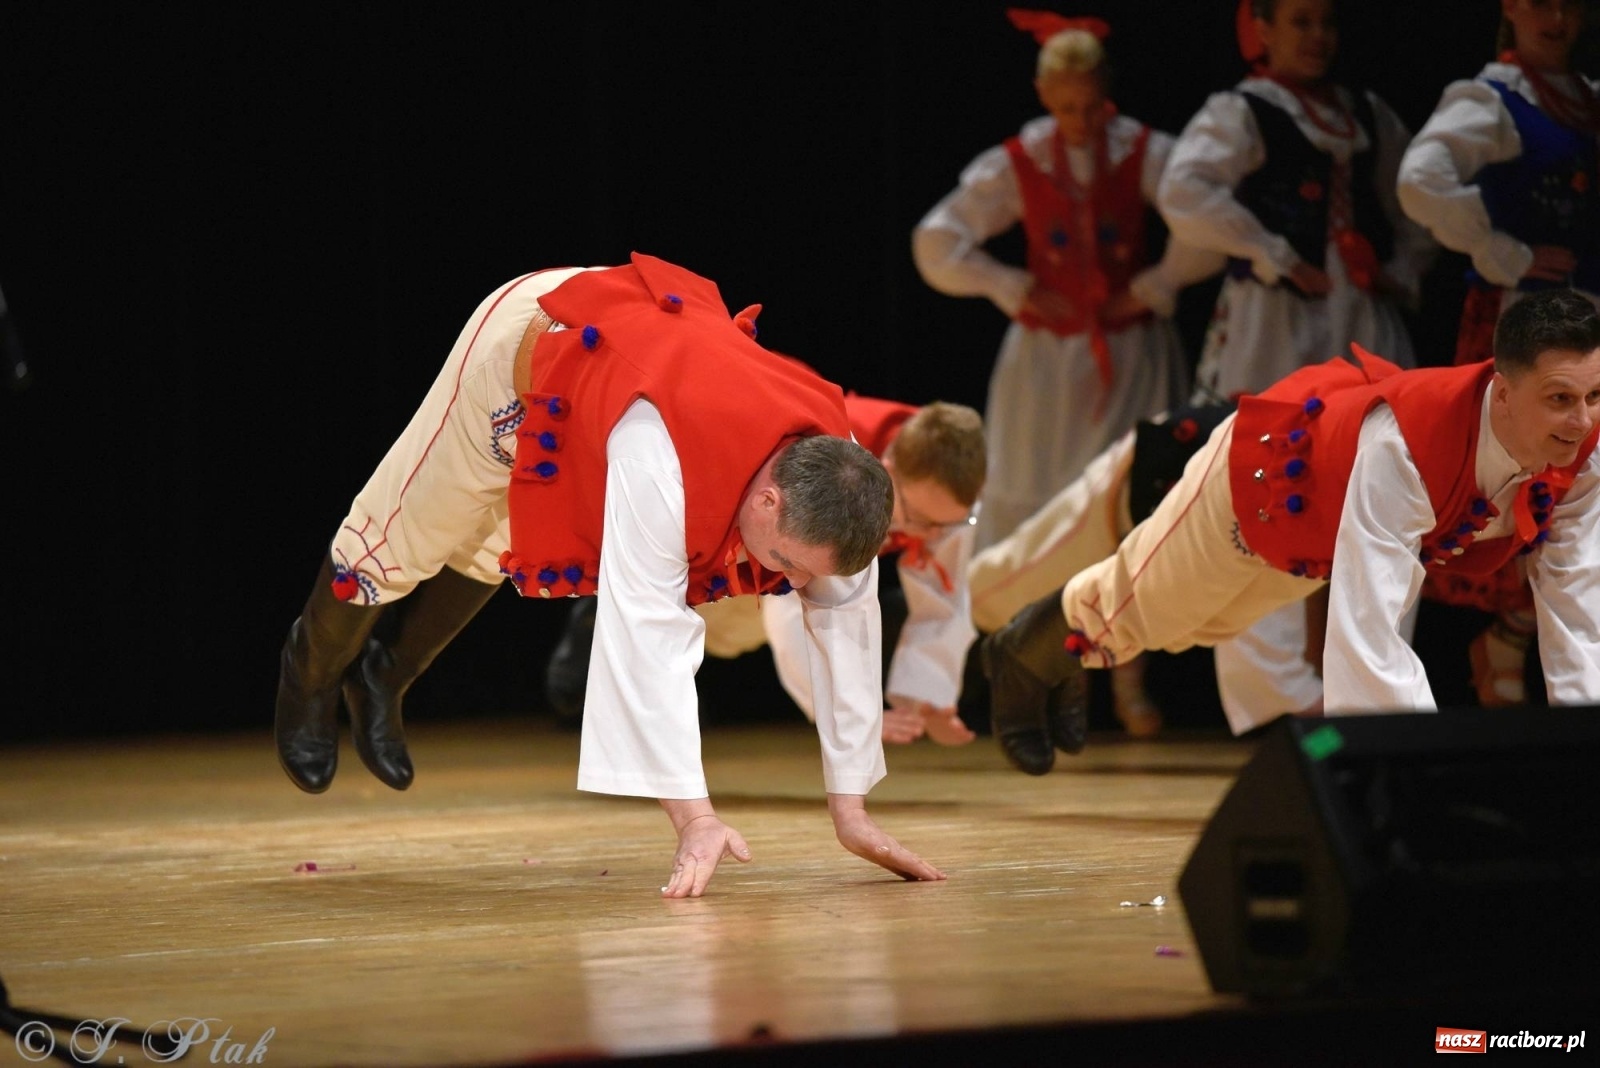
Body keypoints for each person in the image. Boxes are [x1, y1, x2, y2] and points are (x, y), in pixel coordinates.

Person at [272, 252, 945, 896]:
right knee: (401, 541)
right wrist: (695, 820)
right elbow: (649, 638)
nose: (795, 584)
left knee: (495, 546)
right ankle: (310, 675)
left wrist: (850, 807)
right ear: (769, 499)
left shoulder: (842, 473)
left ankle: (385, 677)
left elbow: (847, 617)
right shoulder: (661, 462)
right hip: (521, 355)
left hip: (619, 379)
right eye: (792, 565)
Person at [981, 288, 1600, 774]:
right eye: (1559, 399)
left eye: (1596, 395)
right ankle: (1021, 657)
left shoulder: (1586, 451)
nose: (1581, 421)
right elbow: (1370, 631)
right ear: (1504, 392)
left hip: (1314, 541)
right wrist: (1413, 774)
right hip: (1252, 485)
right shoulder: (1408, 446)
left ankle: (1057, 654)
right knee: (1145, 615)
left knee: (1202, 628)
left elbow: (1579, 607)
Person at [1154, 0, 1438, 731]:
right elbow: (1184, 191)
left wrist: (1394, 268)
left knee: (1376, 494)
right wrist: (1271, 250)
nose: (1317, 38)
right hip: (1276, 324)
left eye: (1327, 24)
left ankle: (1369, 702)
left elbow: (1413, 207)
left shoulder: (1365, 113)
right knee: (1265, 494)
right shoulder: (1245, 110)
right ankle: (1279, 711)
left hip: (1358, 322)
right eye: (1301, 22)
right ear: (1264, 30)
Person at [912, 9, 1217, 557]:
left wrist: (1152, 285)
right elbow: (936, 241)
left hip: (1130, 352)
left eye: (1092, 106)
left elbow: (1209, 226)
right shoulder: (1025, 160)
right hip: (1046, 358)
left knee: (1125, 493)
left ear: (1108, 92)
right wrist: (1011, 285)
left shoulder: (1141, 151)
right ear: (1043, 95)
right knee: (1037, 484)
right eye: (1067, 108)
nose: (1081, 121)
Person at [547, 395, 987, 748]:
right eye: (920, 520)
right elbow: (795, 607)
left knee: (733, 633)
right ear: (885, 472)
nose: (932, 535)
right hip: (721, 551)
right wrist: (844, 720)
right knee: (700, 628)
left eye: (948, 524)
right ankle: (597, 615)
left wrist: (927, 698)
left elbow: (946, 598)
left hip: (765, 573)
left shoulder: (939, 494)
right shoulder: (838, 461)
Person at [1398, 0, 1600, 704]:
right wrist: (1502, 250)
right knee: (1532, 490)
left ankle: (1520, 647)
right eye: (1540, 3)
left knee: (1585, 502)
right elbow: (1420, 179)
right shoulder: (1493, 99)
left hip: (1591, 326)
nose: (1557, 18)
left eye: (1569, 7)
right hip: (1531, 326)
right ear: (1512, 7)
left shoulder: (1586, 100)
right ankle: (1516, 657)